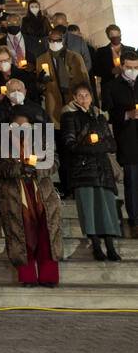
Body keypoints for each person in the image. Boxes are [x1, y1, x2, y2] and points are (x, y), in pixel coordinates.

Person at [0, 114, 62, 287]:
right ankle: (28, 276)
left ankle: (48, 276)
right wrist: (19, 168)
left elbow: (54, 162)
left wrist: (37, 169)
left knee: (46, 234)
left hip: (42, 194)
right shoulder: (1, 145)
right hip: (16, 195)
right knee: (21, 235)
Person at [60, 84, 121, 261]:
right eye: (80, 95)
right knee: (89, 208)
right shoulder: (69, 116)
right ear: (74, 98)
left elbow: (111, 144)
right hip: (83, 170)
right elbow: (70, 144)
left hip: (103, 170)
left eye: (86, 95)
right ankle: (95, 245)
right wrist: (91, 145)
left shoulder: (100, 116)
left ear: (92, 97)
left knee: (107, 208)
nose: (84, 98)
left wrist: (97, 146)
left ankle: (110, 246)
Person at [35, 27, 90, 195]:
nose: (54, 43)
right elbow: (39, 87)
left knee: (78, 149)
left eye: (57, 40)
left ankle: (80, 184)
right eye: (51, 41)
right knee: (62, 151)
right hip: (55, 111)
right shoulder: (42, 59)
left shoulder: (74, 57)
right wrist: (41, 82)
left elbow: (84, 81)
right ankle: (66, 186)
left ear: (63, 41)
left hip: (74, 108)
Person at [104, 48, 138, 237]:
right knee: (132, 181)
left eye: (136, 67)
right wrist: (127, 114)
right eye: (130, 67)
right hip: (127, 139)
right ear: (122, 66)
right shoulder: (112, 86)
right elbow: (108, 112)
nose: (133, 70)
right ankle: (134, 219)